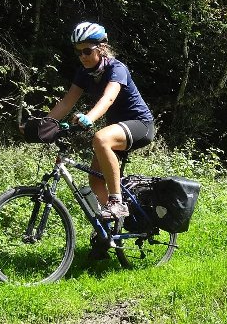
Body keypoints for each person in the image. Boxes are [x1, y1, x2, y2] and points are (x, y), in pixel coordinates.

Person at [46, 21, 155, 219]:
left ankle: (117, 203)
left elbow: (108, 98)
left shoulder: (116, 68)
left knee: (101, 138)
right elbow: (66, 103)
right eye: (78, 52)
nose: (82, 57)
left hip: (141, 124)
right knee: (95, 181)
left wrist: (89, 117)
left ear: (102, 48)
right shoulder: (84, 73)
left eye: (87, 51)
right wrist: (42, 124)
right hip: (116, 129)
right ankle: (110, 230)